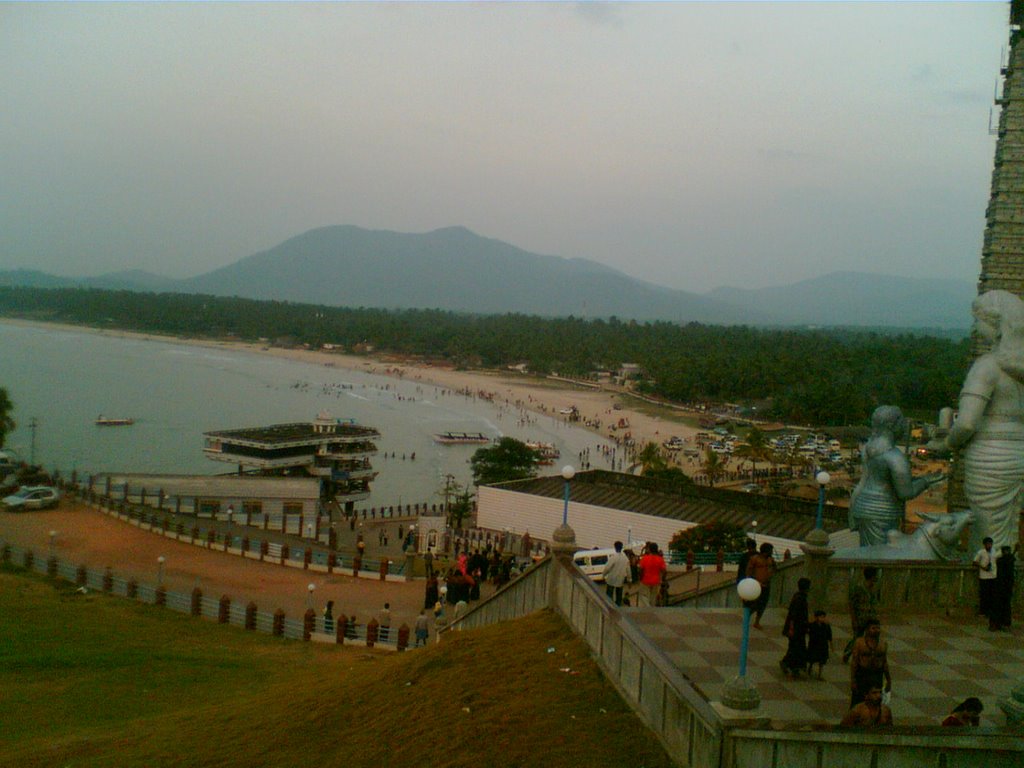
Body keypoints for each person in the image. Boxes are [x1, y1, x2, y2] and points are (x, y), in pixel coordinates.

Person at [945, 290, 1024, 553]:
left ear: (997, 326)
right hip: (1018, 458)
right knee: (1009, 533)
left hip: (990, 462)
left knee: (984, 534)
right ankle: (1004, 584)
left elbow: (967, 423)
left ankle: (985, 587)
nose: (976, 328)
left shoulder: (987, 367)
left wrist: (949, 441)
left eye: (978, 320)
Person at [849, 405, 943, 547]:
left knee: (868, 555)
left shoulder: (868, 448)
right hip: (883, 513)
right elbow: (905, 492)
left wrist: (852, 508)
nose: (905, 426)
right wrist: (925, 481)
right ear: (891, 425)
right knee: (881, 556)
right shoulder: (895, 457)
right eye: (902, 423)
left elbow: (866, 481)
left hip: (863, 507)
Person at [848, 619, 891, 707]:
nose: (876, 630)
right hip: (863, 674)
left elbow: (884, 663)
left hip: (877, 675)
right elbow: (854, 662)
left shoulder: (883, 644)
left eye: (878, 628)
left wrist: (888, 680)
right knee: (858, 702)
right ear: (867, 630)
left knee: (876, 701)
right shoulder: (859, 643)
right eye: (873, 628)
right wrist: (853, 680)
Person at [842, 567, 880, 663]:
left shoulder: (873, 588)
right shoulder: (859, 588)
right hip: (861, 618)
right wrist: (854, 619)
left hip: (872, 618)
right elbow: (852, 604)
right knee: (857, 638)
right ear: (872, 576)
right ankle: (847, 652)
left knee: (873, 637)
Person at [779, 578, 810, 678]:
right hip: (796, 628)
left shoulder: (798, 596)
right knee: (796, 648)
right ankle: (791, 665)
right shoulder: (800, 598)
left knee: (795, 647)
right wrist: (791, 628)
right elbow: (793, 615)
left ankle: (791, 665)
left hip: (799, 628)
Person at [745, 542, 776, 629]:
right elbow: (749, 571)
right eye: (770, 551)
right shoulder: (755, 559)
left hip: (766, 585)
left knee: (763, 604)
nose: (772, 552)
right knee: (755, 604)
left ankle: (757, 621)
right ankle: (747, 618)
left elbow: (774, 568)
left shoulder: (770, 560)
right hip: (757, 585)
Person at [974, 536, 998, 629]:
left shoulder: (994, 551)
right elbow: (975, 561)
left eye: (990, 543)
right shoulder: (981, 552)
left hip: (993, 576)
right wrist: (983, 567)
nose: (989, 545)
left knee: (992, 594)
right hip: (984, 576)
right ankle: (982, 611)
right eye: (987, 544)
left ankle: (989, 611)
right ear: (984, 545)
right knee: (984, 594)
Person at [602, 540, 631, 606]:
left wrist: (603, 575)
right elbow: (628, 570)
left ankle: (609, 606)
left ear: (615, 547)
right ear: (621, 547)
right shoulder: (625, 558)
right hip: (620, 579)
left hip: (611, 579)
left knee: (609, 595)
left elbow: (607, 568)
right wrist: (629, 580)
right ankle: (618, 606)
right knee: (619, 596)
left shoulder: (613, 557)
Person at [993, 544, 1016, 631]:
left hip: (1007, 586)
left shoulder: (1008, 560)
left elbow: (1010, 559)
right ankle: (998, 623)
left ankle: (1005, 622)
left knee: (1006, 605)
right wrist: (1015, 551)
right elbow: (1008, 560)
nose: (1008, 553)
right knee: (999, 605)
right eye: (1006, 551)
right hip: (1000, 585)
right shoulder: (1000, 560)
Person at [805, 609, 833, 679]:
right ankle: (810, 667)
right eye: (821, 617)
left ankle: (820, 674)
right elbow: (806, 629)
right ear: (816, 617)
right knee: (812, 658)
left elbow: (829, 636)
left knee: (822, 661)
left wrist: (831, 646)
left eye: (823, 617)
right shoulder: (812, 625)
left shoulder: (826, 626)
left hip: (823, 646)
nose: (822, 618)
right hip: (814, 645)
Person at [637, 542, 667, 607]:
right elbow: (664, 571)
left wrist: (640, 578)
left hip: (645, 580)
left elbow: (640, 570)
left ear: (649, 549)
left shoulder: (645, 558)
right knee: (653, 598)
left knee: (643, 596)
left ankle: (648, 607)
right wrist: (662, 579)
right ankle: (651, 609)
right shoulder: (660, 559)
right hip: (656, 581)